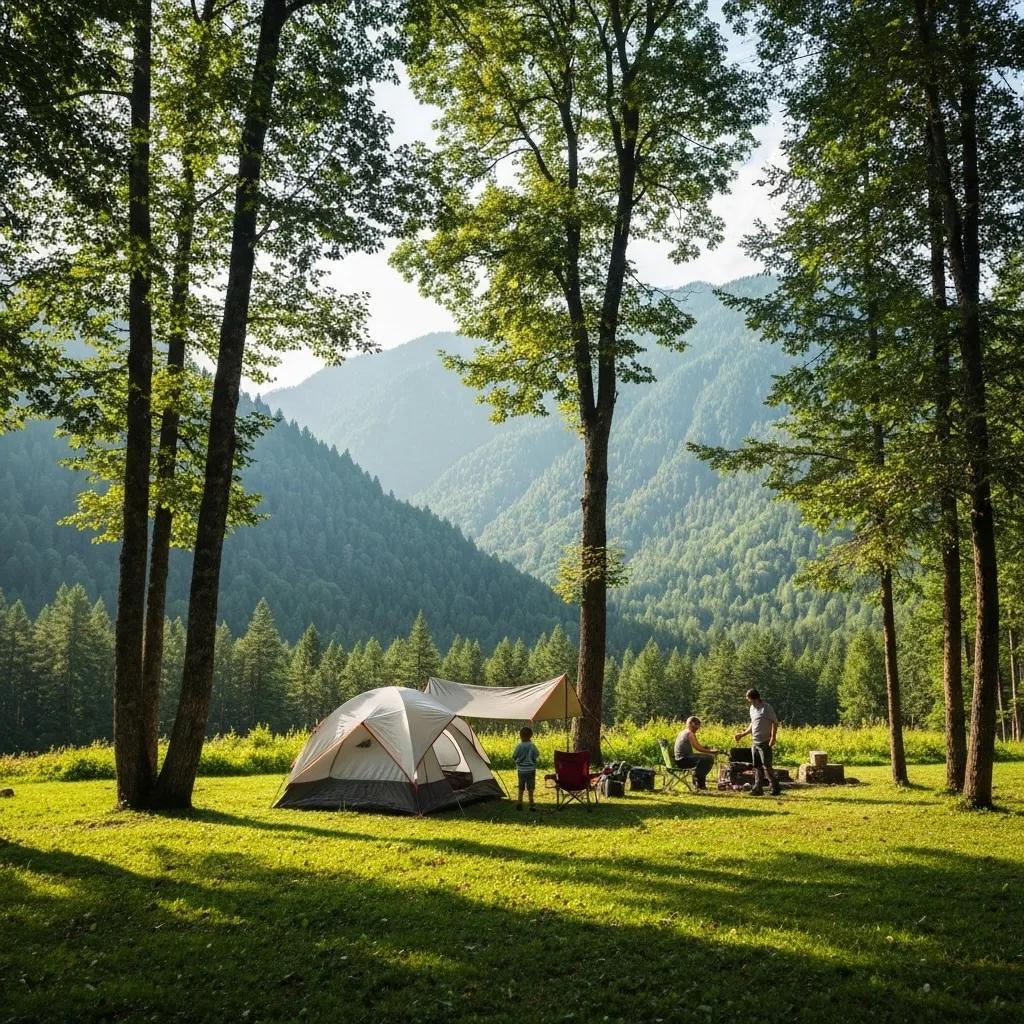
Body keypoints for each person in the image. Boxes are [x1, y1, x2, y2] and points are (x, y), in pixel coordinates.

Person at [734, 688, 780, 796]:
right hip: (755, 742)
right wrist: (742, 734)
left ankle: (775, 788)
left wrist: (773, 737)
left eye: (749, 699)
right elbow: (753, 724)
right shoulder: (752, 709)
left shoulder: (766, 708)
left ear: (755, 698)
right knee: (757, 766)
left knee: (767, 766)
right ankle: (758, 789)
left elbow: (775, 722)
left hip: (765, 741)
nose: (749, 702)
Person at [673, 716, 718, 790]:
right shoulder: (690, 733)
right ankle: (698, 782)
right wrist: (712, 751)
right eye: (696, 726)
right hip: (683, 760)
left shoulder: (682, 732)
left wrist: (706, 749)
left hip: (679, 760)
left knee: (704, 758)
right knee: (708, 759)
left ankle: (699, 782)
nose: (697, 729)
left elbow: (698, 746)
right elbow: (698, 748)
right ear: (691, 724)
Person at [512, 726, 540, 810]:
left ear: (520, 736)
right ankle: (531, 803)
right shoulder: (532, 746)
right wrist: (532, 759)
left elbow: (514, 756)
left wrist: (518, 761)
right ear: (531, 736)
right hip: (531, 770)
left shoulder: (519, 746)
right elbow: (537, 754)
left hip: (521, 770)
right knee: (530, 788)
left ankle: (519, 802)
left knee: (521, 787)